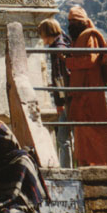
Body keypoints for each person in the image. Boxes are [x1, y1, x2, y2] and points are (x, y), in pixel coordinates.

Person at [65, 6, 107, 166]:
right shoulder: (78, 38)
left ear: (82, 21)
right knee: (82, 129)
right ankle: (85, 163)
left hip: (91, 89)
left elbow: (90, 60)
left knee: (95, 127)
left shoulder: (89, 36)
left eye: (74, 21)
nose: (71, 24)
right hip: (81, 90)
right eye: (69, 21)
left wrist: (67, 61)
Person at [38, 18, 73, 168]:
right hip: (71, 95)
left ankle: (66, 168)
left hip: (66, 99)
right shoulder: (65, 41)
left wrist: (59, 103)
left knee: (62, 138)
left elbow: (59, 76)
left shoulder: (57, 48)